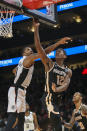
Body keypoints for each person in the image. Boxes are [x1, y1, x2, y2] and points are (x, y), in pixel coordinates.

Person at [5, 29, 71, 131]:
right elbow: (44, 52)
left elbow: (14, 70)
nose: (31, 50)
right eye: (28, 50)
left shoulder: (23, 61)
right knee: (13, 116)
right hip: (17, 90)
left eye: (31, 49)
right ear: (24, 53)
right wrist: (58, 43)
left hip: (21, 90)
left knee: (21, 118)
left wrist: (19, 72)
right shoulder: (27, 59)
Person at [34, 20, 72, 131]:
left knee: (56, 123)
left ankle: (40, 127)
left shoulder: (68, 71)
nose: (58, 52)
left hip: (57, 98)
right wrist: (36, 29)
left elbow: (66, 85)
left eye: (60, 51)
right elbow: (39, 49)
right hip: (48, 96)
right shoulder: (50, 64)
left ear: (65, 56)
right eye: (57, 51)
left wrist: (58, 89)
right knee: (56, 120)